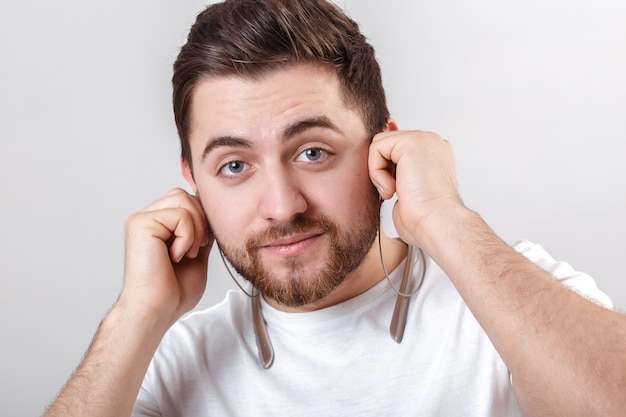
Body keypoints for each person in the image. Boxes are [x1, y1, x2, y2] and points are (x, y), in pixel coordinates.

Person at [44, 0, 626, 416]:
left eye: (313, 152)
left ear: (384, 150)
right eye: (234, 166)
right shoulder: (167, 361)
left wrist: (444, 219)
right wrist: (134, 316)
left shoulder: (512, 298)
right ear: (193, 180)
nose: (280, 206)